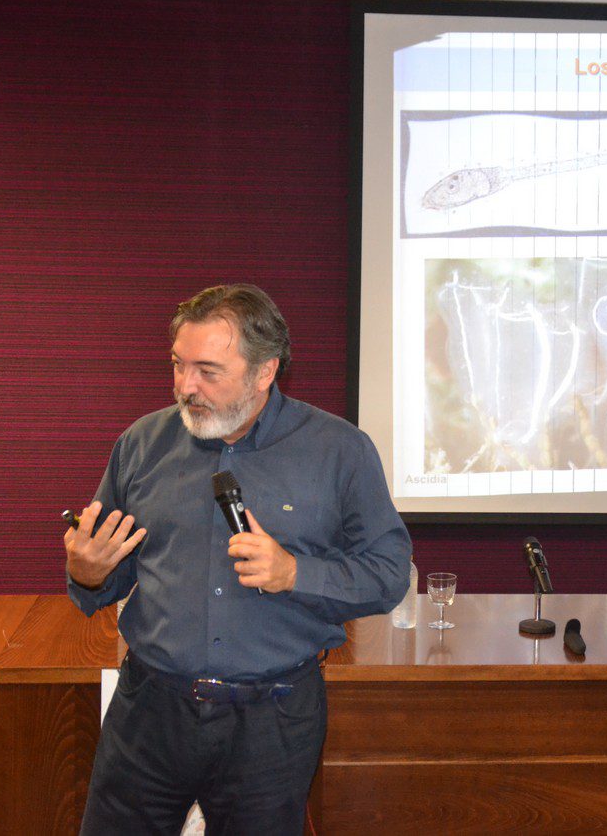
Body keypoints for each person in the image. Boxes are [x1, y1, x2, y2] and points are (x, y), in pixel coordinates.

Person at [65, 283, 411, 834]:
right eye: (178, 365)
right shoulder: (141, 444)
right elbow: (106, 572)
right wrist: (87, 572)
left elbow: (390, 573)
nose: (185, 387)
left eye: (207, 370)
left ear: (265, 371)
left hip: (271, 720)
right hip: (149, 713)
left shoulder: (339, 450)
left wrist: (296, 572)